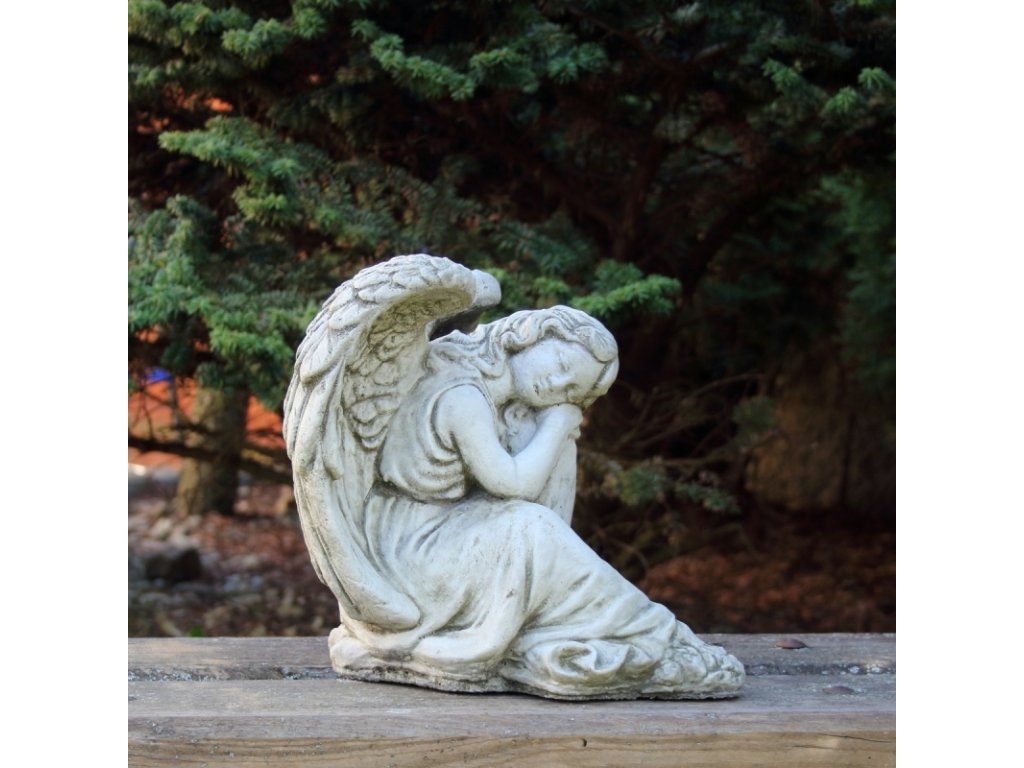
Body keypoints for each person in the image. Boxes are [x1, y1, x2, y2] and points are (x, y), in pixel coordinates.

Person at [327, 306, 744, 699]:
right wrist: (557, 425)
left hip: (433, 528)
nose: (557, 386)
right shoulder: (463, 396)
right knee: (529, 528)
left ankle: (635, 632)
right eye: (561, 364)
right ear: (530, 335)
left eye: (572, 390)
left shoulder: (477, 383)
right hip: (413, 551)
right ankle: (652, 633)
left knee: (532, 522)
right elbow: (515, 485)